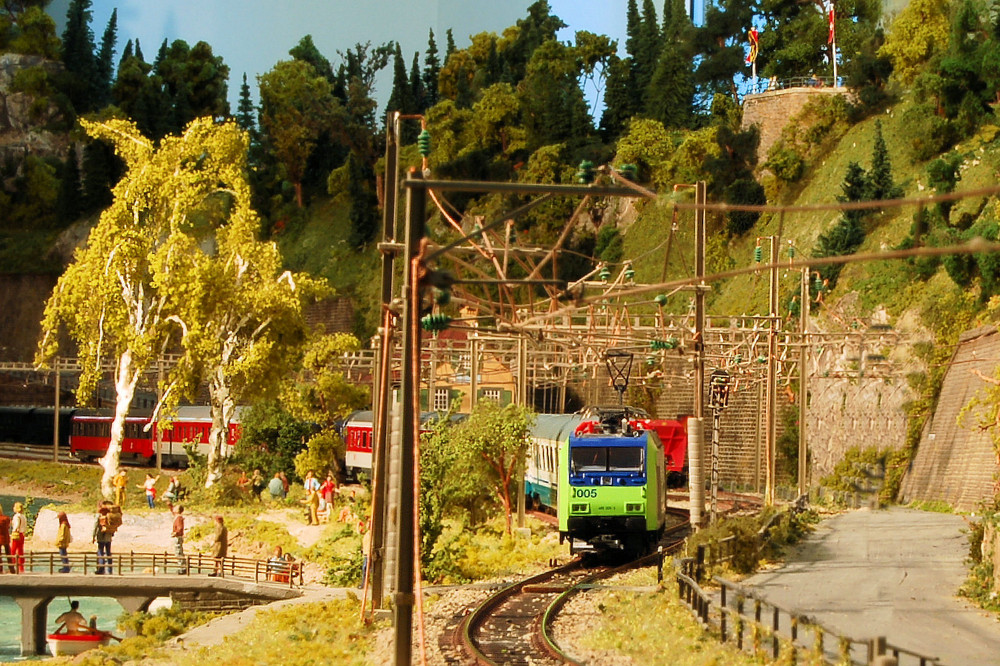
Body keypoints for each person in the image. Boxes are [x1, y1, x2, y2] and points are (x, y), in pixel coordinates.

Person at [92, 505, 113, 574]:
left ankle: (101, 568)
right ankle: (110, 570)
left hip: (101, 537)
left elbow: (95, 527)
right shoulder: (110, 517)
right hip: (108, 538)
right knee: (108, 553)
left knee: (100, 552)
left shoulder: (99, 517)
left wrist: (93, 536)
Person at [10, 502, 26, 573]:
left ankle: (12, 566)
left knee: (13, 550)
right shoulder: (23, 516)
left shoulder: (16, 516)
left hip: (17, 534)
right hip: (22, 534)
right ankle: (21, 567)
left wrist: (13, 531)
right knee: (20, 551)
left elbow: (16, 525)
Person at [171, 505, 186, 574]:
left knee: (178, 552)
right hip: (178, 536)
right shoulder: (177, 517)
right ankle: (182, 566)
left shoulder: (179, 518)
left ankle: (182, 567)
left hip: (178, 536)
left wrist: (175, 533)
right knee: (178, 551)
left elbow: (180, 527)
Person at [0, 503, 11, 574]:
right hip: (6, 537)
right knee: (9, 554)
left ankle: (0, 569)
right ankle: (12, 569)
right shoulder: (7, 518)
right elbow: (8, 527)